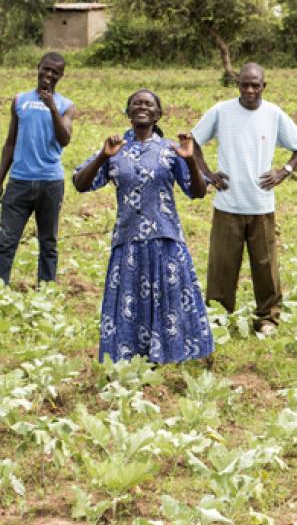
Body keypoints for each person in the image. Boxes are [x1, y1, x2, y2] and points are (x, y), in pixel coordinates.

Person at [72, 90, 213, 365]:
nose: (142, 107)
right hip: (129, 238)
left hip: (165, 237)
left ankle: (170, 355)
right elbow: (80, 183)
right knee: (129, 303)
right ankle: (133, 359)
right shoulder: (115, 149)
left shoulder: (171, 150)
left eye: (149, 104)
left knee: (169, 301)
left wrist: (190, 160)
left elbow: (197, 192)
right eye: (136, 103)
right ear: (128, 111)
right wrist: (102, 156)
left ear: (158, 114)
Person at [190, 62, 297, 334]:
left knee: (266, 266)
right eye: (245, 84)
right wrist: (207, 174)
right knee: (222, 265)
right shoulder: (221, 111)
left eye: (256, 85)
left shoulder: (274, 114)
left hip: (261, 204)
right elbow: (194, 142)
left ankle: (267, 318)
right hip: (227, 203)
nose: (250, 89)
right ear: (238, 85)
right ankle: (218, 317)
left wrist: (284, 171)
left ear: (264, 86)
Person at [0, 52, 75, 286]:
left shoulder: (66, 106)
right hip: (19, 182)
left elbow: (64, 139)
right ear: (38, 67)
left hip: (50, 183)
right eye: (46, 69)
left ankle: (46, 289)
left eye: (55, 72)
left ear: (61, 76)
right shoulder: (20, 100)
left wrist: (52, 107)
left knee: (48, 242)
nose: (49, 75)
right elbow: (10, 142)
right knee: (5, 240)